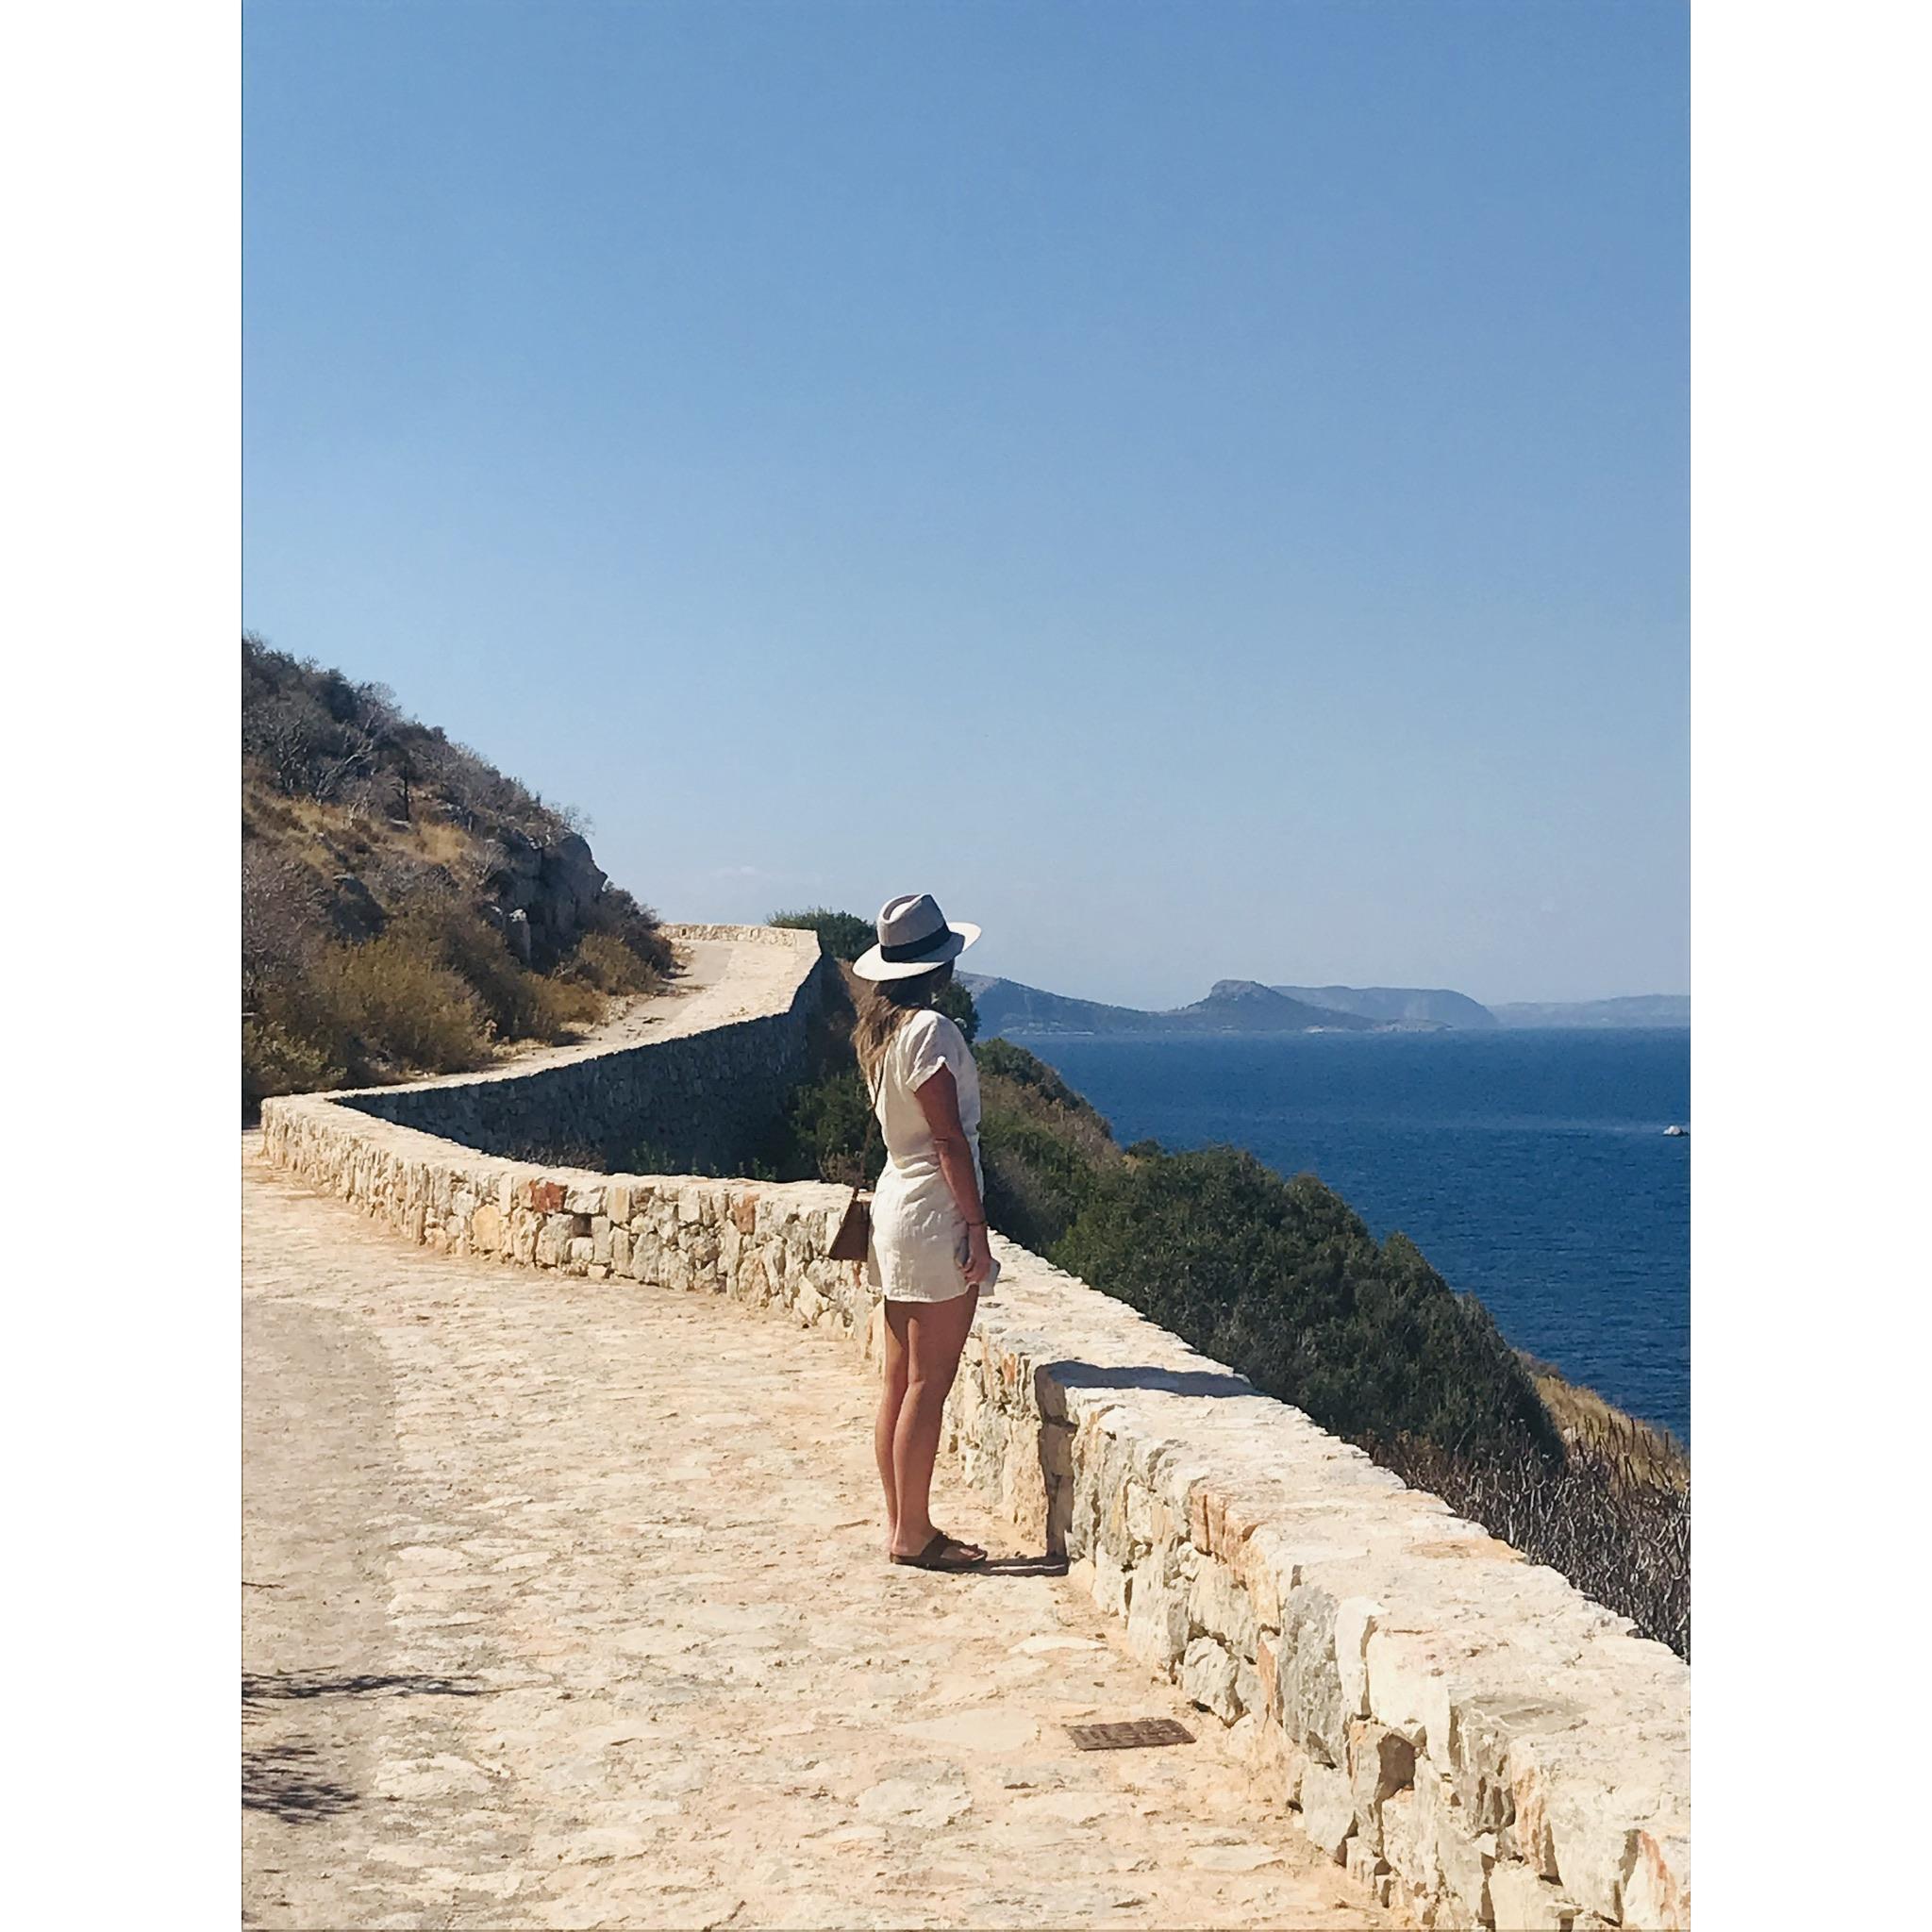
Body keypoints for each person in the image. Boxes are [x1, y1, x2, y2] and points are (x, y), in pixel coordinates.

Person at [850, 891, 997, 1572]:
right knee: (927, 1382)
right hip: (933, 1212)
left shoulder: (880, 1034)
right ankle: (914, 1533)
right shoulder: (932, 1032)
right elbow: (947, 1137)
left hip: (894, 1204)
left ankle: (901, 1522)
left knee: (899, 1379)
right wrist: (976, 1224)